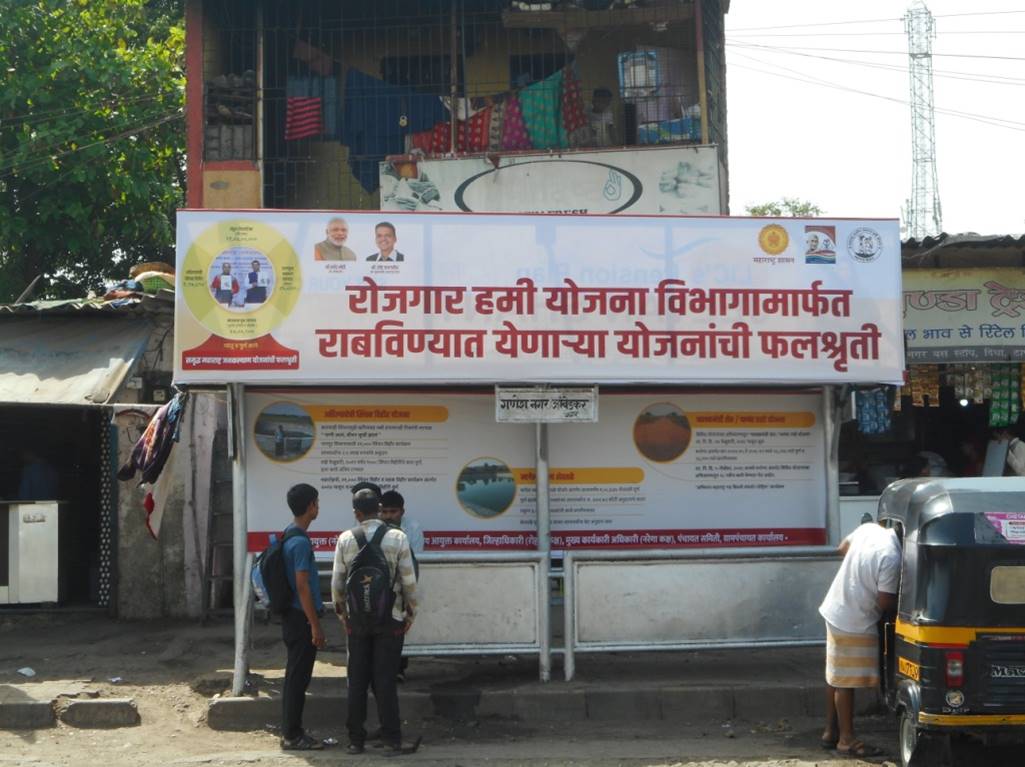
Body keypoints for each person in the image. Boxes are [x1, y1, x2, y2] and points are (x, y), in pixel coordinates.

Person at [331, 488, 419, 755]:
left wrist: (343, 617)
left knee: (356, 680)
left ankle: (355, 740)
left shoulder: (346, 539)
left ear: (357, 513)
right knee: (385, 680)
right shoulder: (397, 537)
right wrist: (410, 613)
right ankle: (392, 739)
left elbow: (337, 585)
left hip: (357, 621)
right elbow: (409, 582)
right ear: (379, 509)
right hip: (389, 619)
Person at [818, 517, 901, 758]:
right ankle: (846, 740)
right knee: (847, 682)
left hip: (835, 607)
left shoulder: (869, 529)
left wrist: (858, 571)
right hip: (855, 619)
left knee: (835, 676)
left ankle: (830, 732)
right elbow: (885, 601)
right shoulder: (892, 558)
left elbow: (842, 548)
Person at [279, 483, 326, 751]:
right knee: (298, 679)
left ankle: (290, 731)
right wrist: (315, 626)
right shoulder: (299, 542)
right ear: (310, 506)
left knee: (294, 676)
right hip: (301, 619)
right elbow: (302, 586)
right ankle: (292, 735)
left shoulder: (289, 534)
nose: (318, 508)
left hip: (293, 616)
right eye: (317, 503)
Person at [379, 490, 422, 684]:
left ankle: (398, 669)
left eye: (393, 511)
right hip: (378, 586)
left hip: (401, 588)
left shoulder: (412, 528)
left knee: (399, 630)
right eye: (385, 511)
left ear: (402, 511)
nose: (388, 516)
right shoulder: (372, 527)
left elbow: (416, 562)